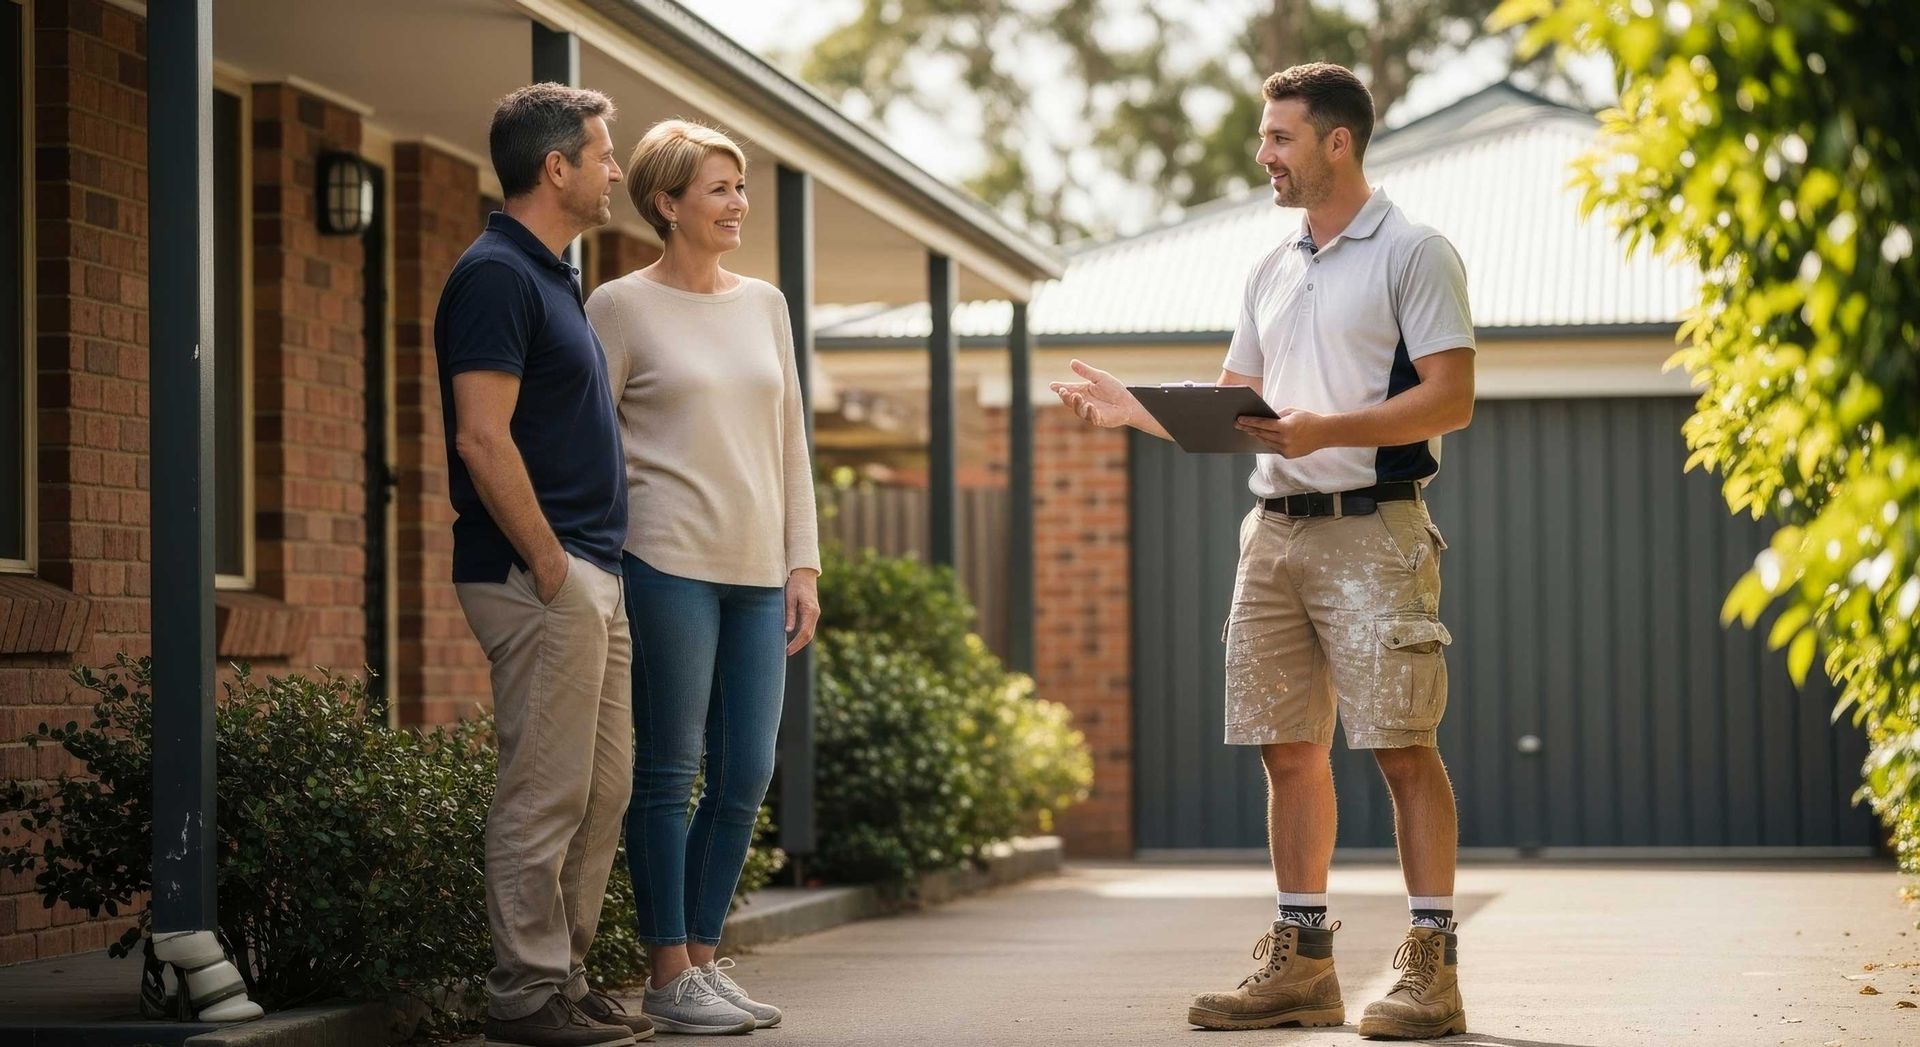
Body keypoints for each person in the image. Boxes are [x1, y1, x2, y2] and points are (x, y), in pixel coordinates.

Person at [1051, 62, 1476, 1041]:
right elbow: (1238, 410)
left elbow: (1451, 397)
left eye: (1281, 137)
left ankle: (1431, 967)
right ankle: (1302, 966)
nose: (1265, 155)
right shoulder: (1273, 266)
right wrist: (1136, 407)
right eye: (1264, 136)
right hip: (1273, 537)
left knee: (1403, 748)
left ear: (1338, 142)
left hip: (1377, 530)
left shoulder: (1413, 250)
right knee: (1288, 752)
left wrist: (1332, 427)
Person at [585, 119, 821, 1036]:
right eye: (717, 189)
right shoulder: (618, 306)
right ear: (665, 203)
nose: (737, 204)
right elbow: (591, 445)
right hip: (665, 562)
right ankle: (664, 967)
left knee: (747, 771)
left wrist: (803, 559)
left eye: (740, 186)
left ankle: (704, 960)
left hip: (761, 569)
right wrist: (602, 560)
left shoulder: (764, 303)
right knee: (670, 769)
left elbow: (789, 437)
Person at [435, 83, 651, 1047]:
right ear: (556, 166)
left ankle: (564, 973)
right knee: (545, 785)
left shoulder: (553, 275)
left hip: (589, 570)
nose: (616, 171)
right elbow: (483, 438)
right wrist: (550, 564)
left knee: (605, 784)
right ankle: (525, 994)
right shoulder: (495, 276)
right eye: (604, 154)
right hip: (539, 574)